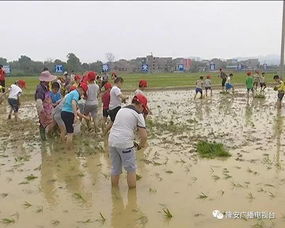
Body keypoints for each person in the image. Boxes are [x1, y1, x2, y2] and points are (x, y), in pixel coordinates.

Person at [109, 94, 148, 188]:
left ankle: (115, 193)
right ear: (140, 105)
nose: (143, 111)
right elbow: (144, 136)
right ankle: (132, 196)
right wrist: (140, 146)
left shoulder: (121, 109)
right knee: (131, 169)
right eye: (144, 108)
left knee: (115, 169)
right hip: (125, 143)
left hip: (112, 141)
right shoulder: (138, 114)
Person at [35, 70, 57, 141]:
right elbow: (39, 101)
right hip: (43, 109)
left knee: (51, 122)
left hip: (48, 108)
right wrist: (41, 111)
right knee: (43, 123)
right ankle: (43, 137)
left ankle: (49, 135)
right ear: (44, 80)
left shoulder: (45, 87)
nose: (49, 81)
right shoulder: (40, 89)